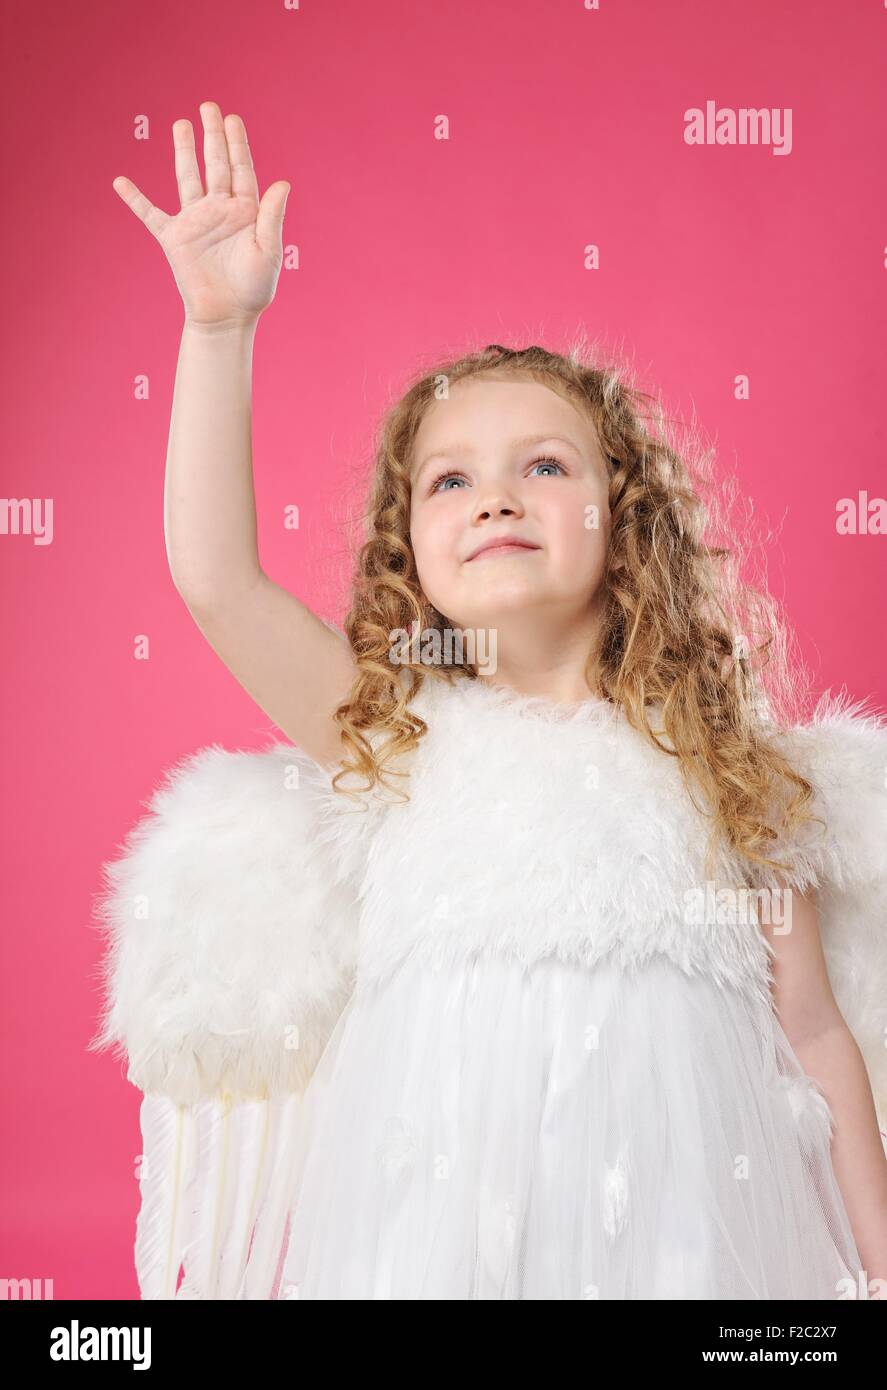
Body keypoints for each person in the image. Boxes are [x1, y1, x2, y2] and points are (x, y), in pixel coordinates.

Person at [97, 101, 887, 1300]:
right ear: (406, 545)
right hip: (432, 1244)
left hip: (683, 1246)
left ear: (620, 519)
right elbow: (215, 579)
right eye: (449, 478)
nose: (494, 497)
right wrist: (218, 329)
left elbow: (815, 1034)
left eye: (546, 465)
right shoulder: (398, 730)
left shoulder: (718, 768)